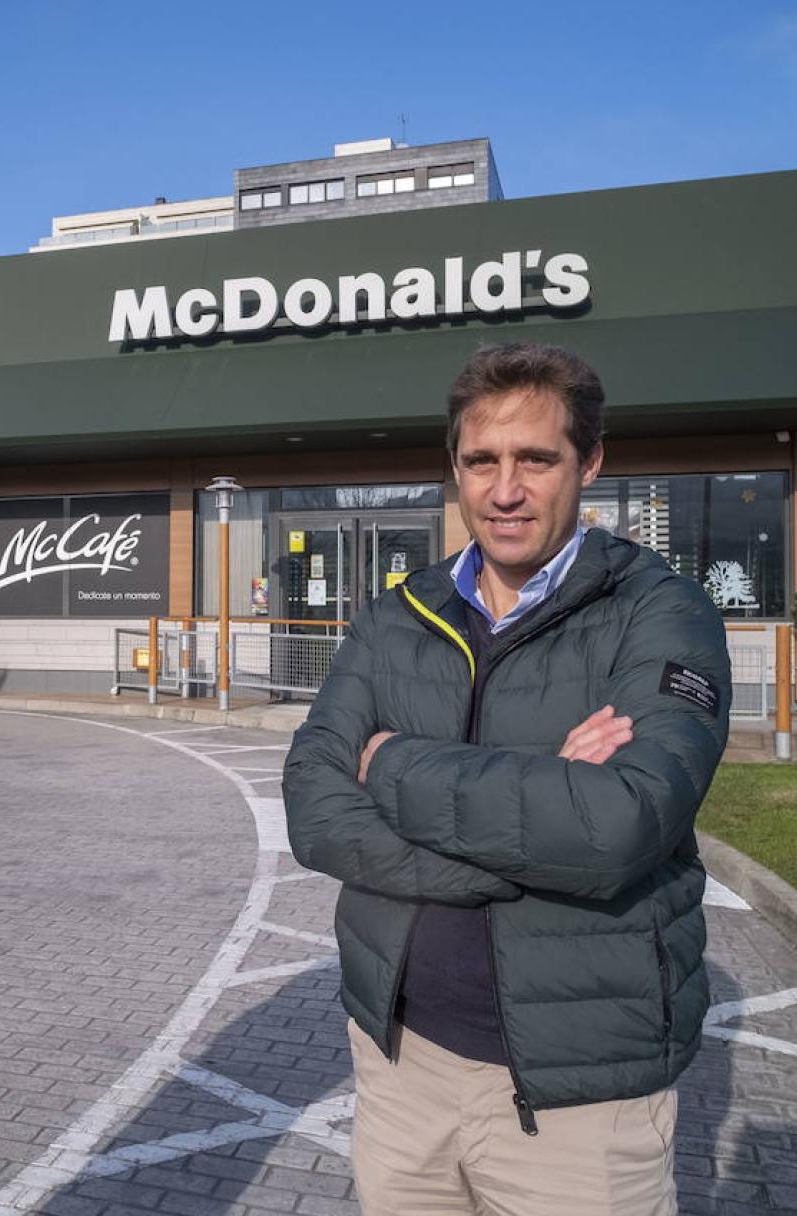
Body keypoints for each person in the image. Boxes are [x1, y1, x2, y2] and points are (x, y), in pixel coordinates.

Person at [283, 342, 731, 1216]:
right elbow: (312, 805)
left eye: (537, 458)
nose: (505, 489)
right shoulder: (395, 617)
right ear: (455, 467)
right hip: (401, 1064)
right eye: (481, 461)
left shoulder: (661, 613)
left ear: (590, 462)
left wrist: (393, 765)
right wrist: (530, 830)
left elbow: (618, 827)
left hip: (579, 1098)